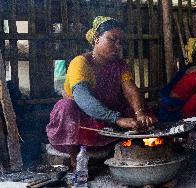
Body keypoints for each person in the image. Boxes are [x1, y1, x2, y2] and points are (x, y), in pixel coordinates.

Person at [46, 16, 157, 170]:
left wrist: (140, 113)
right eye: (112, 40)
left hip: (108, 116)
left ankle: (129, 149)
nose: (118, 46)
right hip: (85, 120)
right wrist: (117, 119)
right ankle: (76, 160)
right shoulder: (80, 63)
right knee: (66, 106)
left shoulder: (120, 65)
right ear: (97, 38)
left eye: (120, 42)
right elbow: (83, 99)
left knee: (138, 105)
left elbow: (130, 89)